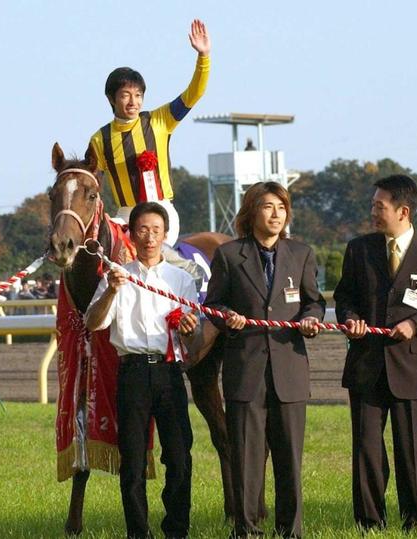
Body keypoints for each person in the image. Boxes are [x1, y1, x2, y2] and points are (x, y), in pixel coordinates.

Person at [204, 181, 325, 539]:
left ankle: (291, 530)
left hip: (289, 372)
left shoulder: (301, 253)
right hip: (246, 372)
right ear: (252, 211)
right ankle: (246, 529)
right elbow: (212, 305)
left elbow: (313, 301)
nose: (276, 214)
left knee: (290, 460)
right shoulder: (229, 255)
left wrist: (312, 319)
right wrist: (227, 316)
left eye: (282, 208)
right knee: (247, 460)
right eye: (269, 207)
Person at [334, 174, 417, 531]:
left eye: (378, 206)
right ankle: (369, 521)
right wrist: (351, 319)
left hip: (411, 367)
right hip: (366, 366)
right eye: (372, 205)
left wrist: (416, 325)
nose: (372, 212)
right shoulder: (359, 249)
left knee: (413, 450)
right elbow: (344, 298)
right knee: (367, 449)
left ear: (403, 210)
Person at [85, 202, 199, 539]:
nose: (149, 237)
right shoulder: (118, 276)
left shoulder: (181, 279)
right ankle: (138, 532)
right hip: (132, 374)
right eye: (142, 230)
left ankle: (177, 529)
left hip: (169, 374)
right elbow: (93, 322)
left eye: (156, 230)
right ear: (131, 235)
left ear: (165, 234)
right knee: (132, 462)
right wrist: (112, 291)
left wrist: (190, 327)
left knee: (179, 457)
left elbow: (192, 334)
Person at [89, 20, 210, 247]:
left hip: (161, 211)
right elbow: (91, 184)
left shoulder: (159, 119)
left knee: (155, 256)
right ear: (111, 99)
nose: (133, 101)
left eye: (138, 95)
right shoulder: (99, 140)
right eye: (125, 95)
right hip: (125, 215)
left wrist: (203, 56)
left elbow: (195, 93)